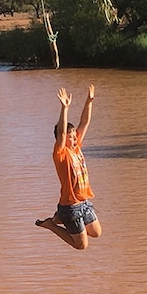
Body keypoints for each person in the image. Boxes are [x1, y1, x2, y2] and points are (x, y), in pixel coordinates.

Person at [36, 84, 102, 250]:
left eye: (74, 137)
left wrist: (89, 101)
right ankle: (52, 224)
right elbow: (62, 134)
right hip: (71, 206)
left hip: (84, 202)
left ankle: (58, 217)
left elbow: (84, 122)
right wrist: (64, 108)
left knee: (96, 232)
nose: (74, 139)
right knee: (82, 246)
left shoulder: (76, 147)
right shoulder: (60, 154)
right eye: (70, 137)